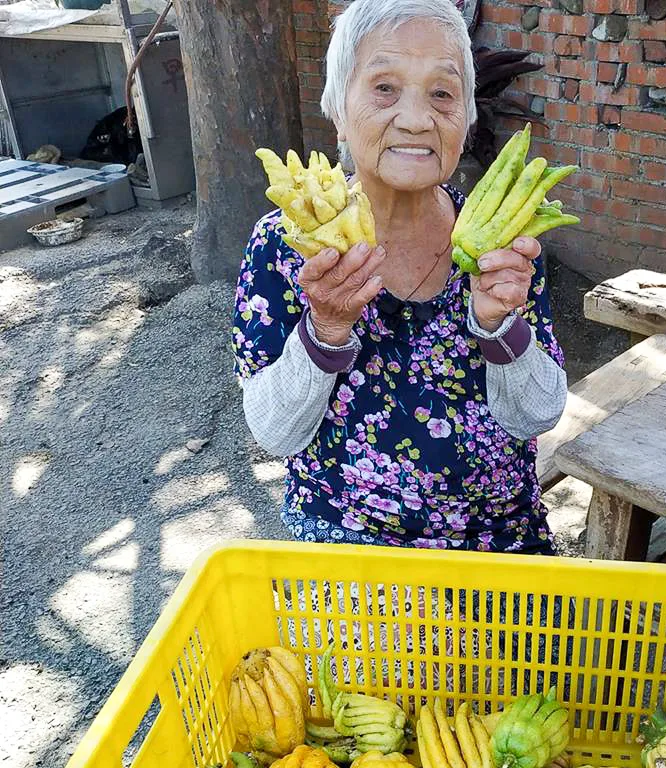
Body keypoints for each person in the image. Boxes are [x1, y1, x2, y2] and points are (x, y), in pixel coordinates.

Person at [232, 0, 567, 553]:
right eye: (384, 88)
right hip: (351, 549)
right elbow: (276, 434)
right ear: (338, 108)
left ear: (466, 118)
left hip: (502, 546)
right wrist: (326, 331)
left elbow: (537, 416)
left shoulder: (498, 239)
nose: (416, 119)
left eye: (442, 93)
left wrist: (498, 325)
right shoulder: (287, 243)